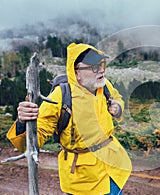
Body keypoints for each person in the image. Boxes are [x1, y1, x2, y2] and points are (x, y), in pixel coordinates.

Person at [6, 43, 132, 195]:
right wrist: (22, 122)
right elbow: (33, 140)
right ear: (76, 72)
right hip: (84, 177)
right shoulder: (60, 97)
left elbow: (117, 98)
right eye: (94, 67)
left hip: (113, 165)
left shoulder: (103, 85)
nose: (101, 70)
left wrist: (117, 107)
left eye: (102, 64)